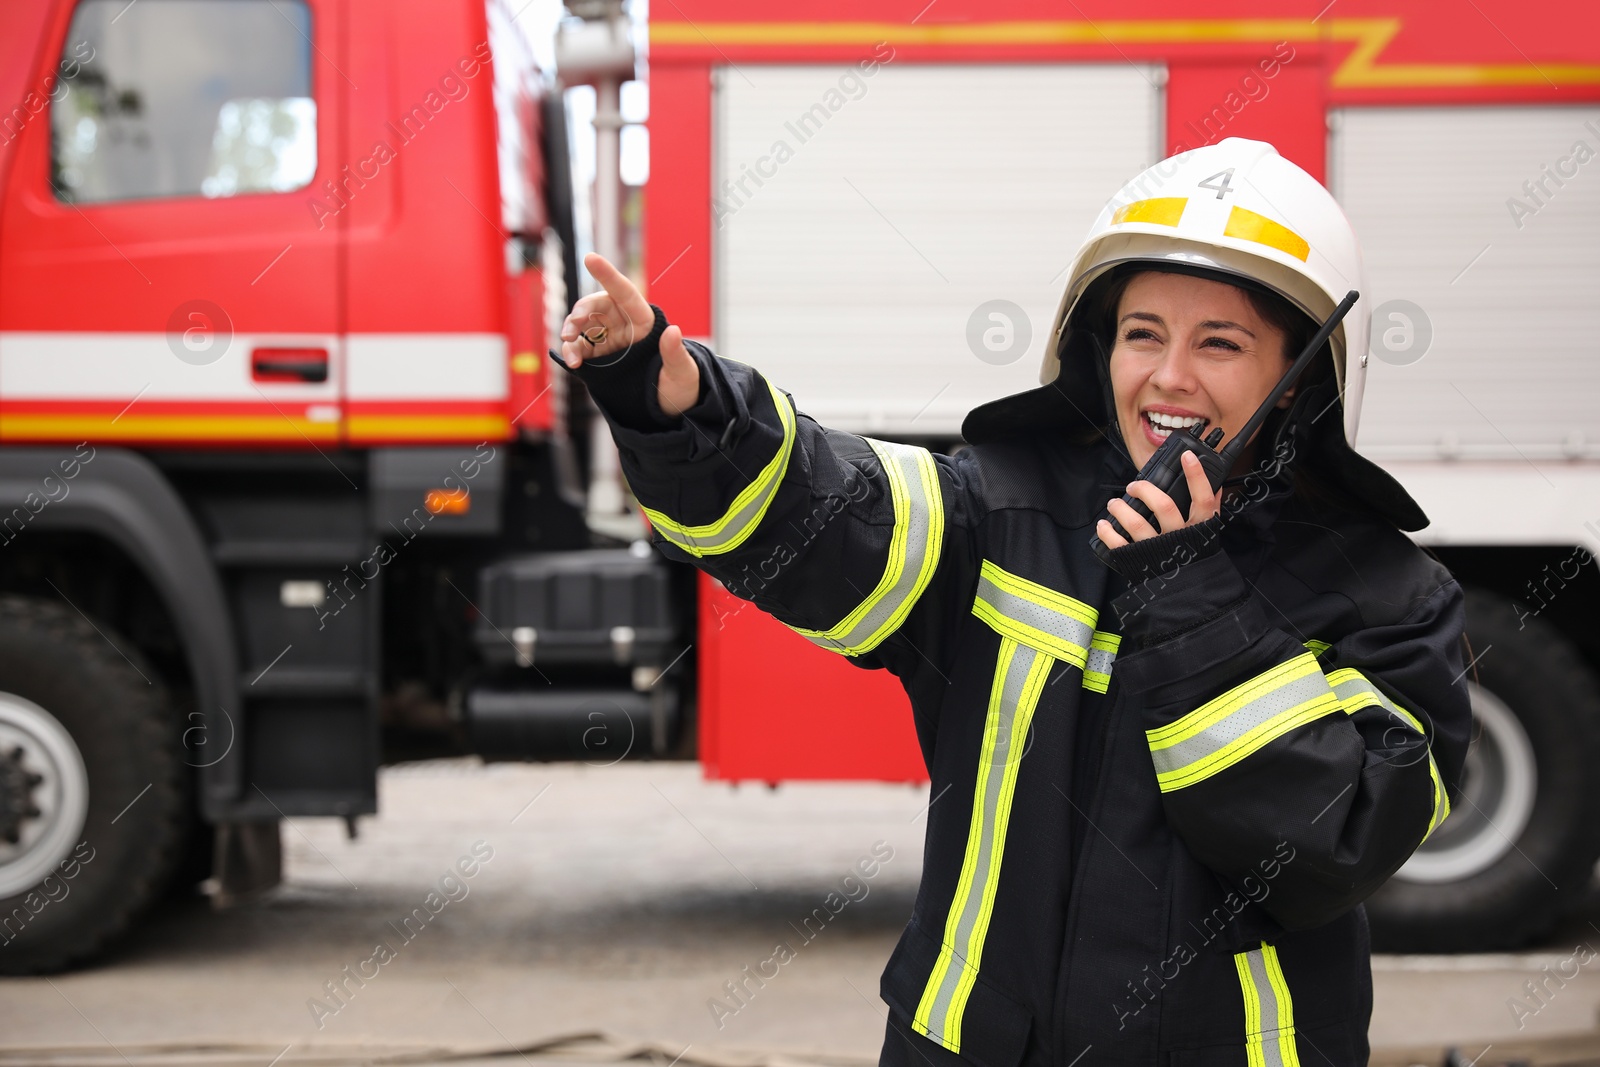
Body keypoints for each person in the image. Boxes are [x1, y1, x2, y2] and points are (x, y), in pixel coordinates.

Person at [553, 138, 1470, 1067]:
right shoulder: (1004, 511)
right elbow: (828, 509)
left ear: (1298, 379)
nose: (1169, 375)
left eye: (1220, 343)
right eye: (1143, 331)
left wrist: (1188, 588)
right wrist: (686, 409)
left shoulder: (1390, 599)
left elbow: (1335, 846)